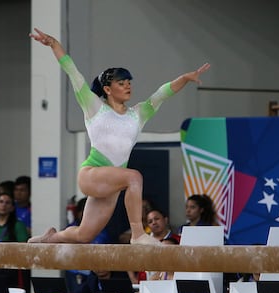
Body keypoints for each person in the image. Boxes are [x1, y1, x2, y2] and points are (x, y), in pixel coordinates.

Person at [28, 27, 210, 245]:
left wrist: (185, 78)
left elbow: (162, 94)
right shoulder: (93, 106)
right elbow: (73, 73)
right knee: (134, 177)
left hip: (112, 184)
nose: (127, 87)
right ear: (107, 88)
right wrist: (54, 44)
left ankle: (51, 237)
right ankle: (138, 234)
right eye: (121, 83)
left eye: (129, 83)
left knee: (84, 235)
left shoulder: (138, 113)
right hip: (92, 174)